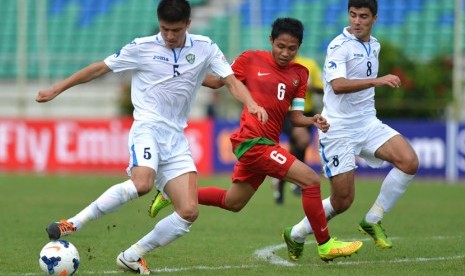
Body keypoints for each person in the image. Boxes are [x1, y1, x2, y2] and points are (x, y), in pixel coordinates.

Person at [36, 0, 267, 274]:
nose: (169, 35)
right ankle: (73, 223)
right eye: (164, 29)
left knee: (189, 211)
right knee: (142, 184)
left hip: (176, 139)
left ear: (188, 25)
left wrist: (250, 103)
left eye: (176, 30)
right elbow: (100, 68)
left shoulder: (205, 47)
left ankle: (133, 255)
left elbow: (229, 80)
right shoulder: (141, 47)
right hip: (147, 127)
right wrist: (58, 88)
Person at [149, 17, 363, 262]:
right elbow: (219, 81)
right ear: (271, 40)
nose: (285, 53)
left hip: (268, 143)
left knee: (233, 202)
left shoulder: (300, 74)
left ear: (299, 47)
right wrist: (184, 74)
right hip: (252, 142)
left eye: (291, 48)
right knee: (311, 181)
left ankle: (173, 194)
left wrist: (313, 120)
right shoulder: (250, 59)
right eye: (280, 46)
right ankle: (325, 245)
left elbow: (295, 117)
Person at [281, 0, 419, 260]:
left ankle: (373, 219)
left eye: (363, 16)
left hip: (367, 123)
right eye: (353, 15)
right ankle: (297, 233)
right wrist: (378, 80)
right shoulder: (338, 46)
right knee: (342, 200)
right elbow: (339, 85)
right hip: (339, 129)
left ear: (374, 19)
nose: (357, 21)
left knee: (409, 161)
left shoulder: (374, 45)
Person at [272, 56, 324, 204]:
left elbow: (322, 89)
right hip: (285, 113)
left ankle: (279, 181)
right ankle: (297, 179)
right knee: (303, 139)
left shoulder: (309, 64)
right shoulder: (277, 65)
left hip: (306, 112)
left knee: (296, 147)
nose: (286, 51)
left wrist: (310, 88)